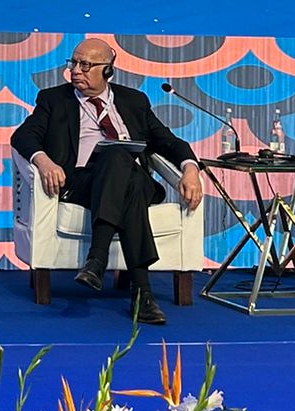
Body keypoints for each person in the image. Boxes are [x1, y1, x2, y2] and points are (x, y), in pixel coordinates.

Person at [11, 39, 203, 324]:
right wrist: (44, 161)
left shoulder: (134, 101)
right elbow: (23, 136)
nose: (76, 70)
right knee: (124, 171)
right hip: (82, 183)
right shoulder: (53, 99)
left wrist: (190, 169)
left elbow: (169, 142)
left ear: (108, 70)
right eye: (74, 63)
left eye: (85, 65)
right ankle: (142, 294)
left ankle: (97, 260)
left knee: (119, 159)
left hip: (129, 178)